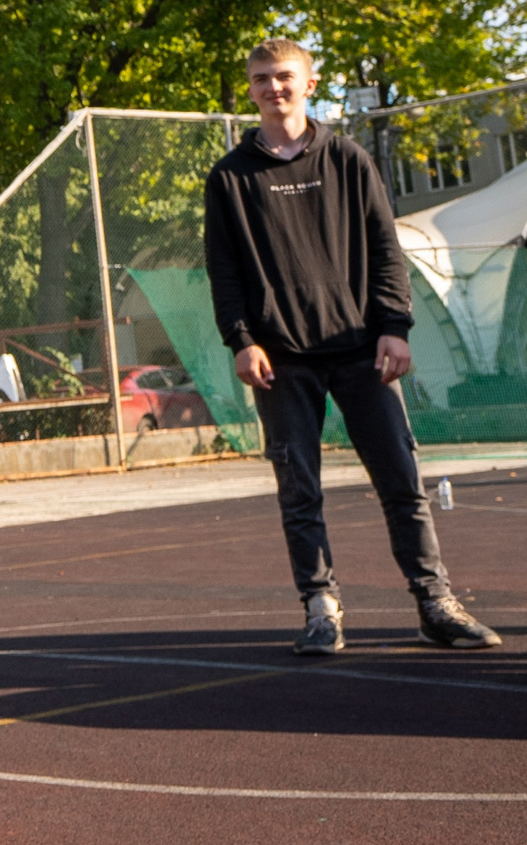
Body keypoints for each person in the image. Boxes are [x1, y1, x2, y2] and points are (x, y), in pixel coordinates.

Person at [206, 37, 500, 656]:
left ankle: (435, 604)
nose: (273, 87)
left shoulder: (347, 159)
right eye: (261, 79)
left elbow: (386, 248)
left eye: (284, 76)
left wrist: (395, 325)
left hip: (362, 349)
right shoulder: (230, 177)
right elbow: (224, 270)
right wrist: (241, 340)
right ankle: (321, 609)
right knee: (300, 491)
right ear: (251, 89)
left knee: (401, 481)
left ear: (309, 84)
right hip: (281, 358)